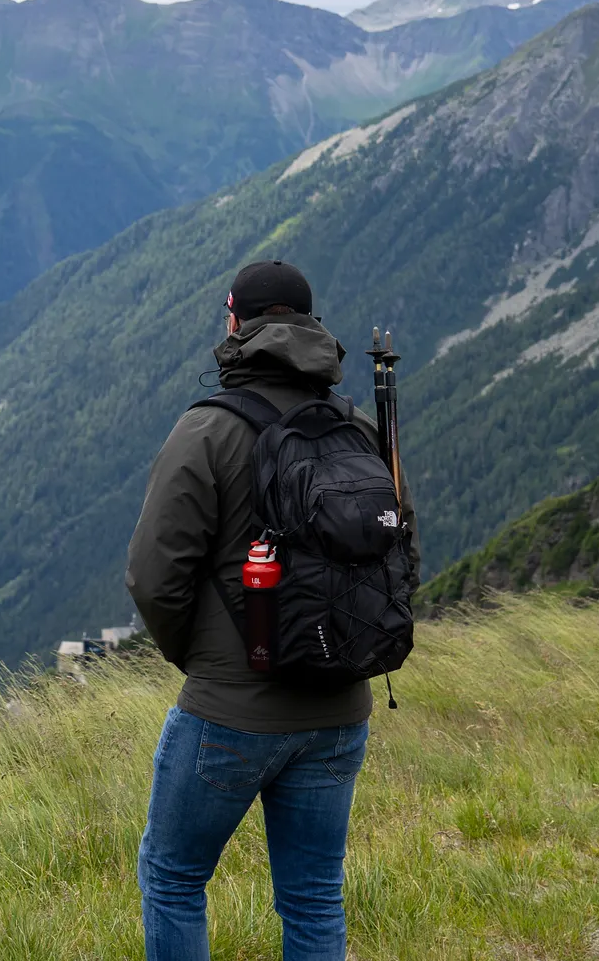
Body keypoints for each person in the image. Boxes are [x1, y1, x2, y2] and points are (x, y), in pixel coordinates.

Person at [125, 259, 417, 961]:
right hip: (340, 709)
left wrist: (200, 660)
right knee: (315, 894)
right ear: (310, 326)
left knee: (173, 876)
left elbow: (152, 576)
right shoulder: (355, 429)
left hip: (230, 710)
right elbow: (398, 558)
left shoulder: (207, 429)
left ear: (235, 324)